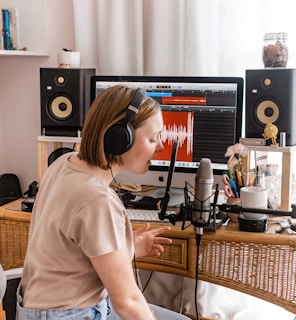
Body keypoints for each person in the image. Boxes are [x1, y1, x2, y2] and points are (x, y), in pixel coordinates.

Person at [17, 85, 190, 320]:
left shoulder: (63, 163)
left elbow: (72, 253)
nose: (160, 146)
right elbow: (127, 303)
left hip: (38, 309)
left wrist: (125, 249)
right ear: (119, 138)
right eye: (152, 138)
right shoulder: (97, 200)